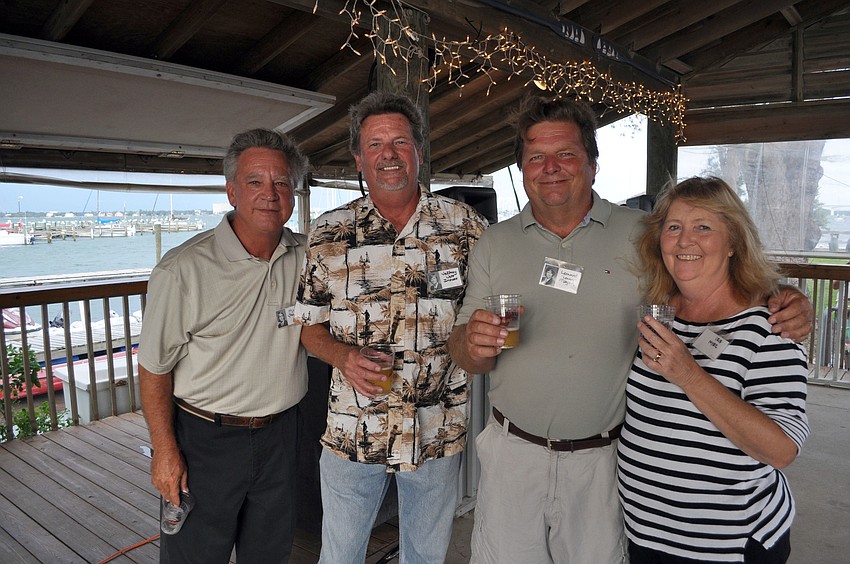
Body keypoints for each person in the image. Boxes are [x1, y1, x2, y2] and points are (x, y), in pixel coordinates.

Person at [447, 96, 813, 563]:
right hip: (512, 453)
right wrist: (473, 344)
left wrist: (783, 297)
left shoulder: (643, 234)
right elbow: (464, 351)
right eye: (536, 156)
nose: (550, 167)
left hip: (605, 461)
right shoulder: (494, 243)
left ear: (593, 165)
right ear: (521, 169)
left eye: (566, 154)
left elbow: (707, 270)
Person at [294, 91, 488, 563]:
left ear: (418, 152)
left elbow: (496, 305)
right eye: (376, 144)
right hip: (351, 429)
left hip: (436, 426)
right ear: (359, 159)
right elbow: (307, 325)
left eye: (400, 142)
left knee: (425, 555)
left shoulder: (464, 226)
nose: (389, 154)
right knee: (339, 555)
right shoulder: (329, 232)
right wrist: (342, 356)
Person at [138, 128, 309, 563]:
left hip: (282, 436)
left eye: (282, 182)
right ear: (231, 190)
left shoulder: (308, 257)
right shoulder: (183, 269)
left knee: (269, 555)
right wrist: (165, 451)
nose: (269, 194)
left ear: (294, 191)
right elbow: (155, 367)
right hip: (203, 441)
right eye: (255, 182)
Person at [619, 176, 809, 563]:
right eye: (674, 228)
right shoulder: (659, 310)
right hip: (646, 533)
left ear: (734, 243)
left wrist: (689, 374)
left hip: (725, 544)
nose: (685, 241)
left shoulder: (768, 325)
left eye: (703, 227)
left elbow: (782, 449)